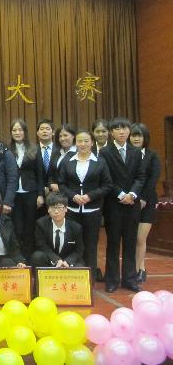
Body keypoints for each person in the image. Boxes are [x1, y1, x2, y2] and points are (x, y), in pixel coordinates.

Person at [99, 117, 146, 293]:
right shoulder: (105, 152)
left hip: (132, 204)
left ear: (129, 131)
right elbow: (106, 178)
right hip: (113, 204)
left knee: (130, 242)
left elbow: (141, 177)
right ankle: (112, 280)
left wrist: (132, 194)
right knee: (113, 243)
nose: (121, 132)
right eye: (117, 129)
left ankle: (129, 279)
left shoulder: (136, 151)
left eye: (124, 128)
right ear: (112, 132)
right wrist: (121, 194)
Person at [58, 130, 112, 280]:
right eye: (80, 141)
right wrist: (73, 195)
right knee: (72, 244)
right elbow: (61, 184)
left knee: (91, 245)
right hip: (72, 210)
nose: (83, 144)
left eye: (86, 141)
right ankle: (72, 277)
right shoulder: (68, 161)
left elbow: (107, 185)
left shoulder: (100, 162)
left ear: (92, 143)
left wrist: (90, 196)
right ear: (75, 143)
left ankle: (90, 279)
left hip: (92, 211)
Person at [8, 119, 44, 259]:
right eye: (14, 130)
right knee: (17, 228)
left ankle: (29, 259)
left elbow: (40, 174)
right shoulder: (7, 149)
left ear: (25, 132)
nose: (17, 133)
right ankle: (18, 259)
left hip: (31, 193)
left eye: (20, 130)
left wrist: (40, 194)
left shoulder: (34, 148)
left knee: (30, 227)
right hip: (14, 194)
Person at [130, 123, 161, 284]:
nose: (136, 139)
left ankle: (139, 269)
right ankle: (133, 269)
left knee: (140, 238)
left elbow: (153, 180)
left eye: (139, 135)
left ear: (145, 138)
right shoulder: (126, 154)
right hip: (129, 201)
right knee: (131, 238)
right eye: (133, 135)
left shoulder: (152, 155)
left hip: (147, 201)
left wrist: (142, 198)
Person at [31, 192, 85, 268]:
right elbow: (42, 246)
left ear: (66, 209)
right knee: (37, 256)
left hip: (68, 261)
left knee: (80, 267)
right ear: (48, 209)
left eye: (59, 207)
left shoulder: (75, 227)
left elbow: (79, 250)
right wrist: (56, 260)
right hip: (51, 259)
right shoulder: (41, 224)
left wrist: (68, 262)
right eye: (53, 208)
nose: (56, 211)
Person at [48, 124, 77, 192]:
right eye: (60, 136)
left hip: (72, 194)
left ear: (73, 136)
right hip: (55, 193)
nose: (62, 138)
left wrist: (61, 188)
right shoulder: (56, 153)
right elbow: (51, 174)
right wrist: (51, 184)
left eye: (65, 135)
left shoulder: (78, 153)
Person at [36, 119, 59, 196]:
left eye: (47, 129)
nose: (44, 131)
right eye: (42, 129)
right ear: (37, 133)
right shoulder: (32, 151)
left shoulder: (60, 150)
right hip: (37, 193)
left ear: (53, 132)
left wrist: (50, 187)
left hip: (56, 193)